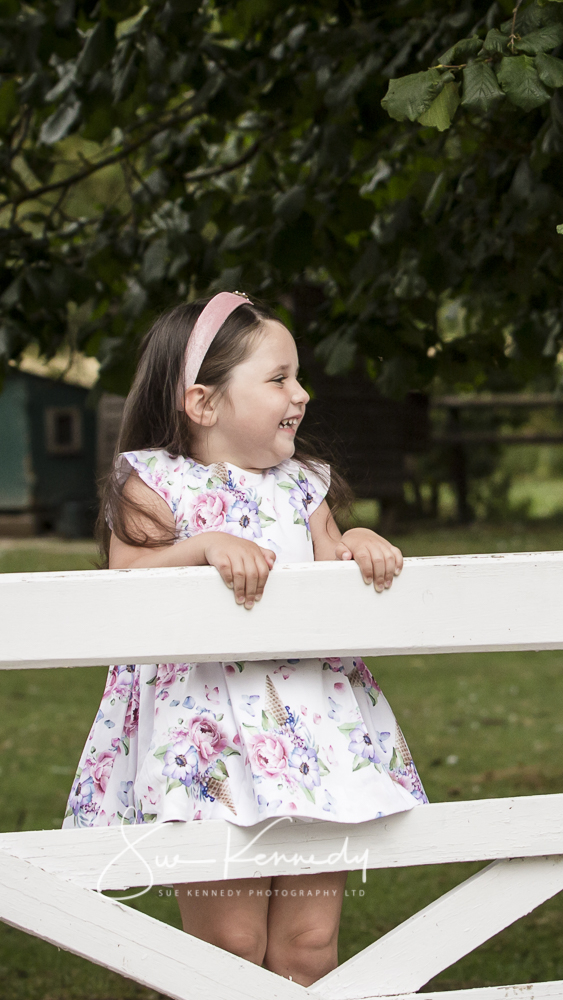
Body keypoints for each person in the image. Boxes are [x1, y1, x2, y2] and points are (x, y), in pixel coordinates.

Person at [63, 292, 426, 985]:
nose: (302, 393)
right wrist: (199, 547)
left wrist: (356, 543)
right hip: (206, 735)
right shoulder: (153, 484)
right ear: (203, 404)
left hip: (310, 730)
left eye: (298, 376)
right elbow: (126, 577)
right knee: (228, 948)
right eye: (280, 378)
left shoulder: (303, 490)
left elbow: (330, 560)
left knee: (309, 947)